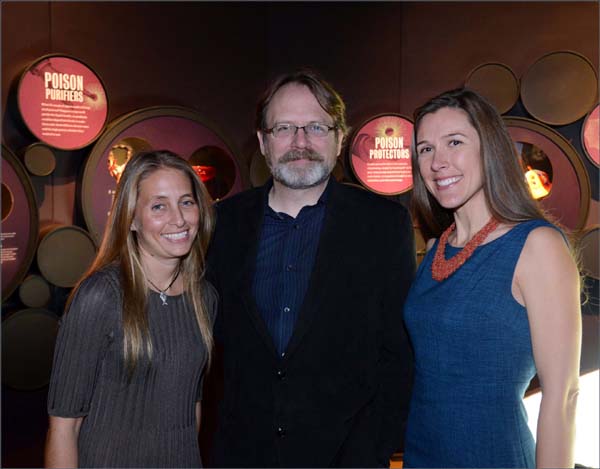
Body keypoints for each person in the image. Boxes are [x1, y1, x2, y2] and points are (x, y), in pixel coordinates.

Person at [206, 70, 416, 467]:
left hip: (346, 456)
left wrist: (373, 446)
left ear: (340, 138)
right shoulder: (222, 224)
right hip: (241, 455)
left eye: (316, 127)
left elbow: (399, 353)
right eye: (284, 128)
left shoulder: (383, 226)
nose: (300, 142)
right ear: (263, 142)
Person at [403, 88, 581, 468]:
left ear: (490, 149)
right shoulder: (435, 247)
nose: (438, 162)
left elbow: (562, 395)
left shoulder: (537, 246)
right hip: (422, 457)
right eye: (425, 149)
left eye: (455, 142)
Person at [45, 150, 217, 468]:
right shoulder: (101, 296)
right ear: (132, 219)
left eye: (187, 202)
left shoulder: (204, 297)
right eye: (158, 206)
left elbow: (190, 405)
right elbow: (64, 425)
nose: (178, 219)